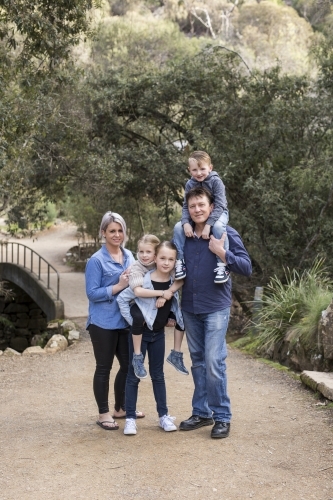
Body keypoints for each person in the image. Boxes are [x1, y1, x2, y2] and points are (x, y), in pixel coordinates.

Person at [178, 187, 252, 439]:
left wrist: (222, 252)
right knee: (198, 362)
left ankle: (221, 416)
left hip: (216, 308)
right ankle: (201, 413)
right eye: (192, 206)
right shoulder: (183, 236)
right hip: (189, 307)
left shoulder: (225, 233)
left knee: (213, 361)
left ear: (212, 208)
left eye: (201, 205)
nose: (197, 210)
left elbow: (246, 266)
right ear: (187, 210)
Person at [117, 241, 184, 435]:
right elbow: (124, 298)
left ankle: (163, 416)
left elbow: (182, 282)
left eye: (170, 259)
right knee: (133, 376)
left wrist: (169, 296)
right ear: (155, 259)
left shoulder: (174, 280)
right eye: (162, 258)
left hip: (159, 335)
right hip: (140, 335)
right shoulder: (145, 280)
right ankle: (130, 418)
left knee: (158, 376)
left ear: (174, 262)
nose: (166, 262)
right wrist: (134, 322)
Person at [85, 211, 144, 431]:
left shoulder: (129, 256)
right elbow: (92, 293)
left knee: (129, 365)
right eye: (112, 231)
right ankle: (103, 413)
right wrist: (118, 286)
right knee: (104, 368)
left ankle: (121, 408)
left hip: (125, 322)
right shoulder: (96, 261)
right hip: (102, 323)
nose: (117, 235)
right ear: (103, 232)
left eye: (120, 231)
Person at [129, 234, 188, 379]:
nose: (144, 256)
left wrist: (166, 294)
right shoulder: (137, 267)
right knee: (138, 317)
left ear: (155, 254)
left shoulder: (164, 262)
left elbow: (181, 280)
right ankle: (137, 356)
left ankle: (176, 353)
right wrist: (163, 292)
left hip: (158, 301)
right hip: (137, 301)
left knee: (181, 317)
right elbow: (137, 291)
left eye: (148, 252)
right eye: (141, 252)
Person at [173, 151, 230, 284]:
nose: (199, 173)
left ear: (210, 168)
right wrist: (185, 222)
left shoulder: (216, 182)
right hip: (197, 216)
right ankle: (180, 262)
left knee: (217, 227)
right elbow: (186, 206)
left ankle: (222, 264)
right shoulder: (189, 184)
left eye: (202, 169)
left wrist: (209, 224)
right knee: (178, 227)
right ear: (189, 170)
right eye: (195, 170)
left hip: (219, 212)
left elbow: (221, 205)